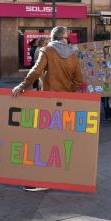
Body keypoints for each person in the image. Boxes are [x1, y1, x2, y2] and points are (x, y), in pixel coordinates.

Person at [13, 26, 84, 191]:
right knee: (59, 141)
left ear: (52, 38)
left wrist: (22, 86)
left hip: (48, 102)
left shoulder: (47, 51)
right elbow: (79, 81)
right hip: (65, 104)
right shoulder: (74, 54)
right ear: (66, 38)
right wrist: (69, 93)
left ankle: (42, 181)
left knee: (43, 142)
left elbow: (36, 71)